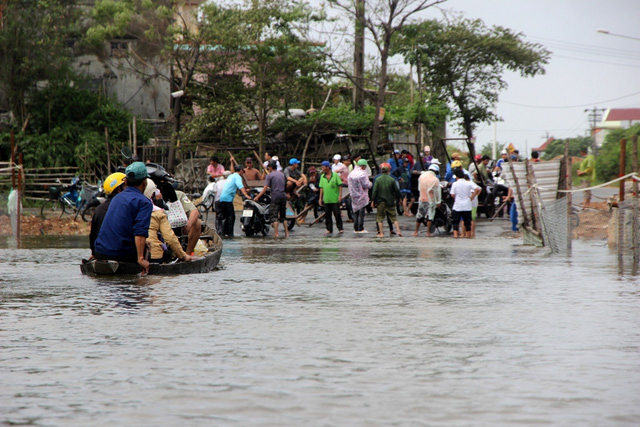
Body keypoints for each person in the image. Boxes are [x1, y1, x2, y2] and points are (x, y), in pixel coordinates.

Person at [94, 161, 153, 274]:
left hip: (100, 251)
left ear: (125, 181)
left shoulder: (117, 197)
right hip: (121, 255)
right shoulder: (144, 202)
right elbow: (140, 232)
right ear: (144, 182)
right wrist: (141, 259)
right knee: (146, 246)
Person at [144, 179, 192, 263]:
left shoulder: (131, 207)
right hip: (153, 256)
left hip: (134, 255)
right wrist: (183, 256)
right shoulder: (158, 213)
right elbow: (170, 238)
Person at [89, 172, 126, 256]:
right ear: (119, 189)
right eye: (126, 187)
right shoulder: (124, 207)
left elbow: (93, 236)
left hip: (100, 253)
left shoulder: (99, 209)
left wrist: (94, 253)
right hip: (121, 254)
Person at [255, 160, 289, 238]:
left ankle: (276, 234)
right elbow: (284, 185)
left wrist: (257, 197)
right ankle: (287, 233)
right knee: (283, 216)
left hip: (275, 196)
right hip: (283, 196)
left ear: (270, 167)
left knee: (274, 216)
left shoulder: (269, 175)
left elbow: (265, 188)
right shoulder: (281, 174)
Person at [219, 164, 252, 237]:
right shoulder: (237, 177)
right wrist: (246, 195)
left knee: (225, 217)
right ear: (240, 170)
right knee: (231, 217)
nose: (243, 172)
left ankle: (223, 233)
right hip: (228, 199)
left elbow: (234, 186)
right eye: (243, 170)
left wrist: (245, 190)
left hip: (222, 198)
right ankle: (230, 234)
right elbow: (240, 186)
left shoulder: (231, 176)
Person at [372, 163, 402, 237]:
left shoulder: (377, 179)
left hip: (380, 202)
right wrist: (399, 198)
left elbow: (375, 190)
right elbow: (397, 190)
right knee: (394, 217)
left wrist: (373, 200)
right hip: (390, 201)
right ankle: (398, 231)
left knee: (380, 218)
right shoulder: (392, 179)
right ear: (388, 171)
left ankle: (381, 233)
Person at [450, 168, 480, 239]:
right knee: (467, 221)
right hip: (467, 205)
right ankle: (468, 235)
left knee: (455, 221)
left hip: (457, 206)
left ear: (457, 176)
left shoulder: (455, 184)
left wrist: (456, 198)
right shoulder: (468, 183)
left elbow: (452, 194)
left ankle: (455, 235)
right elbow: (477, 189)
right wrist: (472, 197)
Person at [412, 164, 441, 237]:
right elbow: (437, 192)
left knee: (420, 215)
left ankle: (416, 231)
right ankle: (428, 232)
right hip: (431, 200)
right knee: (430, 216)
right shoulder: (435, 179)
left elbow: (419, 188)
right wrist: (438, 201)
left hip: (422, 198)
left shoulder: (421, 177)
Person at [319, 160, 344, 236]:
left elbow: (340, 185)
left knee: (337, 214)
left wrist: (340, 196)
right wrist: (320, 198)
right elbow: (321, 188)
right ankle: (329, 229)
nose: (322, 169)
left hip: (335, 198)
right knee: (327, 215)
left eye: (323, 167)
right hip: (327, 199)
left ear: (327, 167)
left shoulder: (335, 175)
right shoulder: (322, 177)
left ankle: (340, 228)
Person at [348, 158, 372, 233]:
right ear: (363, 166)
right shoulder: (362, 173)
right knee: (361, 213)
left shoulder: (351, 173)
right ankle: (360, 228)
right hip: (362, 195)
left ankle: (355, 228)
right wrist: (371, 184)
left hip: (353, 195)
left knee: (355, 211)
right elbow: (366, 184)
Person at [174, 187, 201, 255]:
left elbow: (194, 211)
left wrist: (189, 225)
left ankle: (187, 254)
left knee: (197, 223)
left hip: (176, 226)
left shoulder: (178, 194)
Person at [214, 170, 232, 235]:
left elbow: (215, 191)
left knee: (218, 217)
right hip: (226, 201)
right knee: (227, 217)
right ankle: (226, 232)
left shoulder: (218, 182)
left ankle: (219, 232)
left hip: (217, 200)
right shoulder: (230, 182)